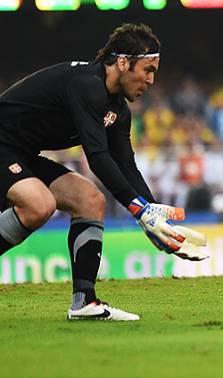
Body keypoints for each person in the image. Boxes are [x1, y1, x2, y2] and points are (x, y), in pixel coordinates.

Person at [0, 23, 207, 321]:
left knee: (89, 200)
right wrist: (139, 211)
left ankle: (84, 303)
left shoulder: (118, 110)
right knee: (38, 204)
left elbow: (126, 165)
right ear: (123, 62)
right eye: (147, 70)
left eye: (155, 72)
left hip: (20, 153)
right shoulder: (86, 85)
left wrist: (153, 213)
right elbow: (97, 157)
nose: (151, 80)